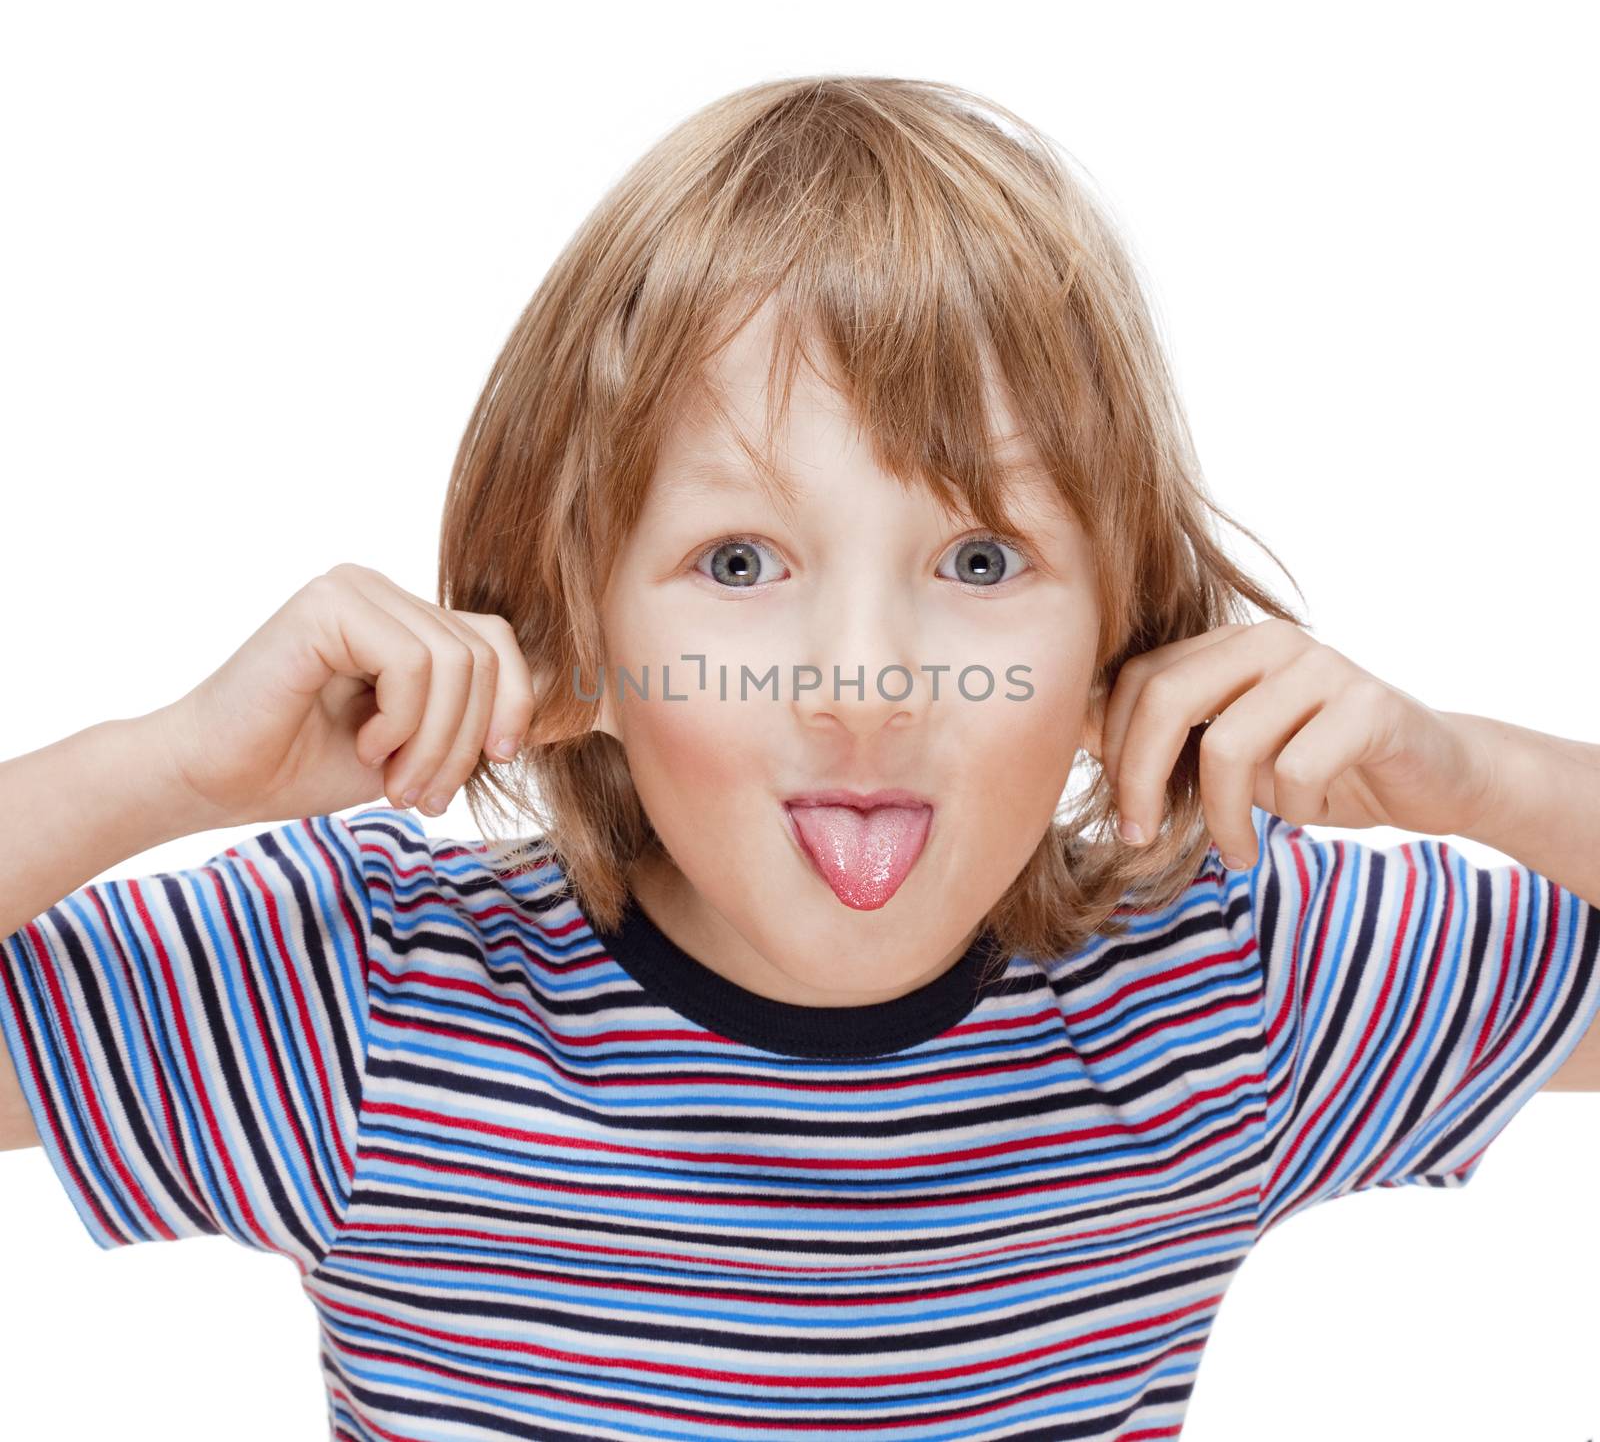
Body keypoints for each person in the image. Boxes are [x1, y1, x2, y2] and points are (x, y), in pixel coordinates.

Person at [3, 75, 1597, 1441]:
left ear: (1131, 645)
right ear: (573, 637)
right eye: (743, 565)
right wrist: (173, 769)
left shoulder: (1220, 988)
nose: (864, 682)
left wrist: (1461, 776)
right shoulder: (367, 1006)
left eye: (979, 563)